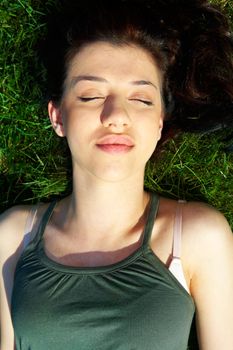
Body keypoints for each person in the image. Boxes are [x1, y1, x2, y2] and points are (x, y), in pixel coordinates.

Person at [0, 0, 233, 349]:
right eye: (91, 95)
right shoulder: (13, 238)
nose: (116, 115)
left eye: (140, 99)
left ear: (158, 123)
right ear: (58, 117)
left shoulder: (198, 237)